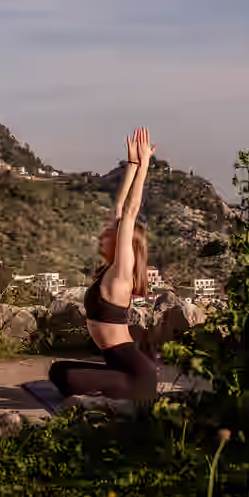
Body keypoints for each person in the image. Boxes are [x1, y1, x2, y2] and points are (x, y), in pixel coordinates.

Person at [48, 127, 159, 401]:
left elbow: (130, 213)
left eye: (109, 235)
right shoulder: (112, 271)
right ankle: (113, 384)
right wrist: (131, 165)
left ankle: (125, 390)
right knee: (58, 370)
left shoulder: (123, 274)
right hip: (119, 365)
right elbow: (120, 210)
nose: (102, 236)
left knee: (66, 378)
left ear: (122, 243)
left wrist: (145, 165)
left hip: (136, 374)